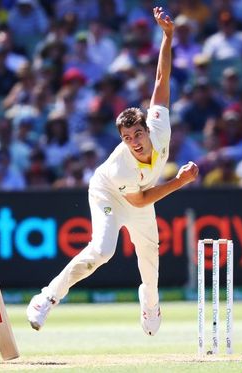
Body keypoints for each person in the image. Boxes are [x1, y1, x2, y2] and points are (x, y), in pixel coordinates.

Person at [26, 7, 199, 337]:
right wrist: (178, 182)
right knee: (102, 251)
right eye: (126, 138)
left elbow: (161, 80)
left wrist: (168, 35)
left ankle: (150, 305)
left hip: (140, 193)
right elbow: (140, 200)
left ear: (148, 129)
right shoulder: (122, 164)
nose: (134, 142)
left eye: (137, 134)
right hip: (109, 191)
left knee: (149, 256)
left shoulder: (160, 129)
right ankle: (47, 297)